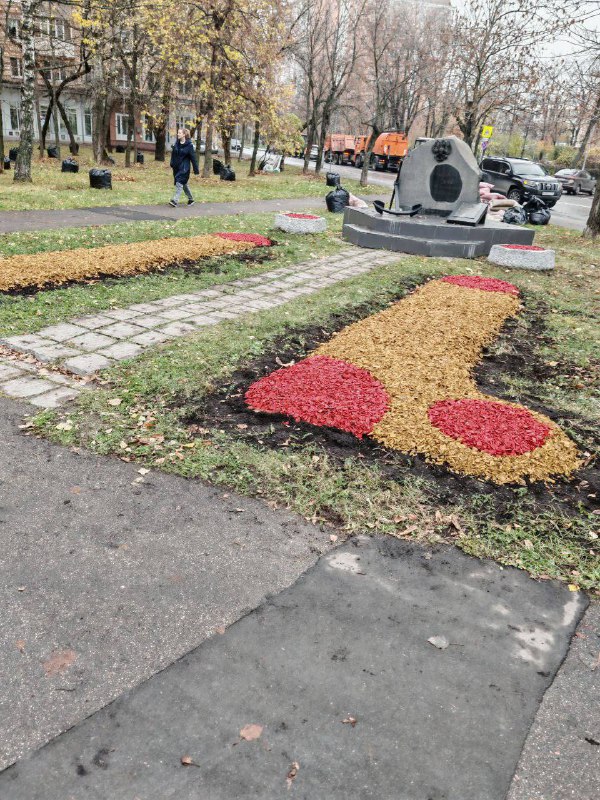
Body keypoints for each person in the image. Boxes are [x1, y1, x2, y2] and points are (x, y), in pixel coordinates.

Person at [169, 128, 199, 207]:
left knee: (179, 182)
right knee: (184, 184)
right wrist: (172, 163)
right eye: (178, 132)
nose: (178, 134)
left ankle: (175, 200)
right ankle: (191, 199)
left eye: (179, 133)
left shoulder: (189, 145)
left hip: (184, 168)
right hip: (177, 167)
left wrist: (196, 170)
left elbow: (193, 158)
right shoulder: (177, 143)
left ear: (184, 134)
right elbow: (173, 154)